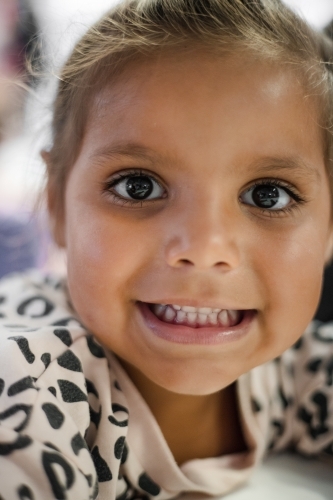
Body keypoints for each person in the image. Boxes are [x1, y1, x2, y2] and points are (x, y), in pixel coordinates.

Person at [0, 0, 332, 498]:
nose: (203, 249)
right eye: (138, 186)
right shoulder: (26, 378)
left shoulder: (286, 366)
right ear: (57, 205)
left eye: (269, 195)